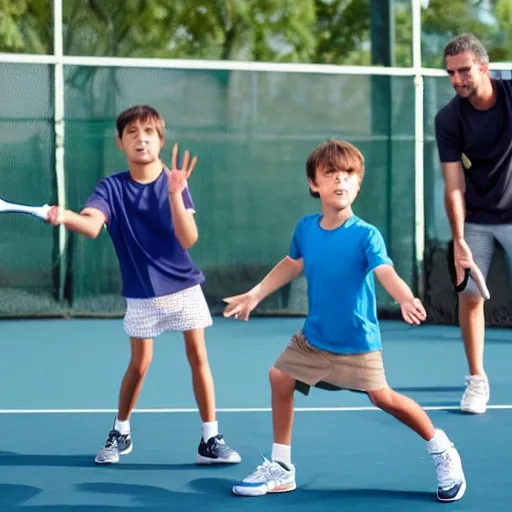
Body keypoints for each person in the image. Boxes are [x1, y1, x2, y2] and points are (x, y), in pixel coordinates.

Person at [223, 139, 466, 502]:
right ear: (314, 184)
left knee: (384, 399)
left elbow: (385, 271)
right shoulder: (306, 228)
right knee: (279, 377)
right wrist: (256, 293)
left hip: (357, 343)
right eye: (330, 173)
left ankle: (442, 449)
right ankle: (282, 467)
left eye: (349, 174)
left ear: (358, 183)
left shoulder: (366, 234)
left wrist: (405, 298)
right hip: (314, 339)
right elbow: (292, 264)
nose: (340, 180)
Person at [46, 104, 241, 465]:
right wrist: (65, 216)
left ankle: (210, 439)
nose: (141, 139)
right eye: (132, 132)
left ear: (160, 141)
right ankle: (121, 431)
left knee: (198, 356)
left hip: (183, 287)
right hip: (141, 293)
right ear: (120, 142)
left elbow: (188, 238)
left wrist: (174, 195)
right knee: (140, 364)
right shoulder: (112, 187)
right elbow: (91, 225)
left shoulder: (174, 182)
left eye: (148, 132)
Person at [435, 33, 512, 414]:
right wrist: (459, 239)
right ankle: (477, 380)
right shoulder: (448, 119)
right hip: (477, 219)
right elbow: (453, 187)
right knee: (470, 296)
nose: (456, 79)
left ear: (485, 67)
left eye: (464, 70)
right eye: (450, 73)